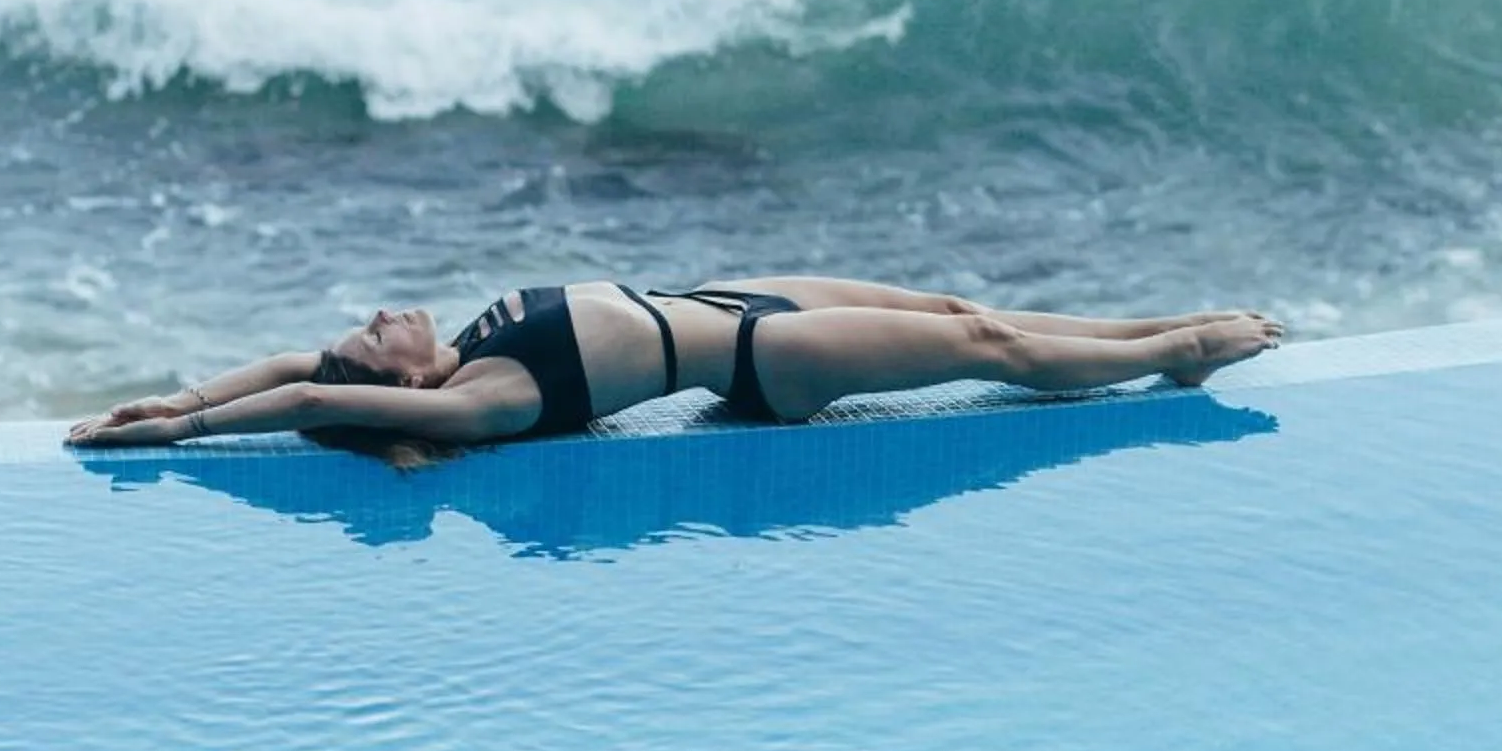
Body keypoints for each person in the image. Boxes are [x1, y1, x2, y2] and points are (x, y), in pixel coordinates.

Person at [66, 278, 1283, 453]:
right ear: (397, 382)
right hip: (763, 358)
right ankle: (1175, 356)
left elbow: (288, 360)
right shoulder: (483, 396)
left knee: (958, 307)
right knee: (987, 352)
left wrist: (184, 390)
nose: (381, 316)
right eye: (373, 335)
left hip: (732, 296)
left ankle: (1145, 329)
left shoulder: (453, 358)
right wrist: (180, 436)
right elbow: (313, 389)